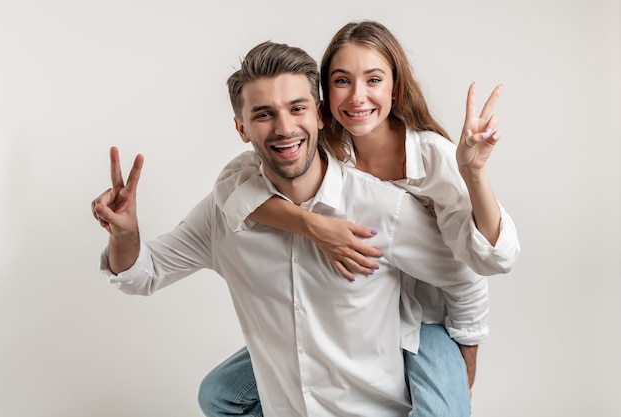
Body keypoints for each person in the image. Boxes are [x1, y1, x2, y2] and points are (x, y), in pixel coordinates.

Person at [91, 40, 489, 417]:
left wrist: (463, 370)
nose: (284, 128)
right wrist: (125, 237)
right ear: (241, 128)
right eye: (263, 114)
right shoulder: (224, 213)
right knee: (219, 394)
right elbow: (143, 275)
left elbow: (462, 277)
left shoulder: (383, 207)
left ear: (319, 114)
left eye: (296, 108)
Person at [201, 20, 520, 417]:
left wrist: (465, 361)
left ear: (395, 86)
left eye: (373, 79)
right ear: (322, 97)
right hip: (347, 318)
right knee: (219, 394)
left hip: (425, 318)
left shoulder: (434, 156)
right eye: (341, 81)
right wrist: (313, 226)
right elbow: (236, 188)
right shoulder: (321, 147)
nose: (357, 97)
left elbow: (485, 264)